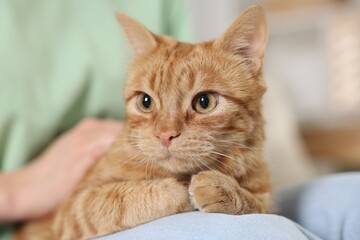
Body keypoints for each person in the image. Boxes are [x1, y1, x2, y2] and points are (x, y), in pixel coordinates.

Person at [1, 1, 359, 240]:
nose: (167, 131)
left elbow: (257, 197)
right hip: (35, 211)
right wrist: (13, 191)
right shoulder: (124, 156)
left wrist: (242, 200)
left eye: (203, 102)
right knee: (265, 234)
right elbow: (68, 223)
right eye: (146, 102)